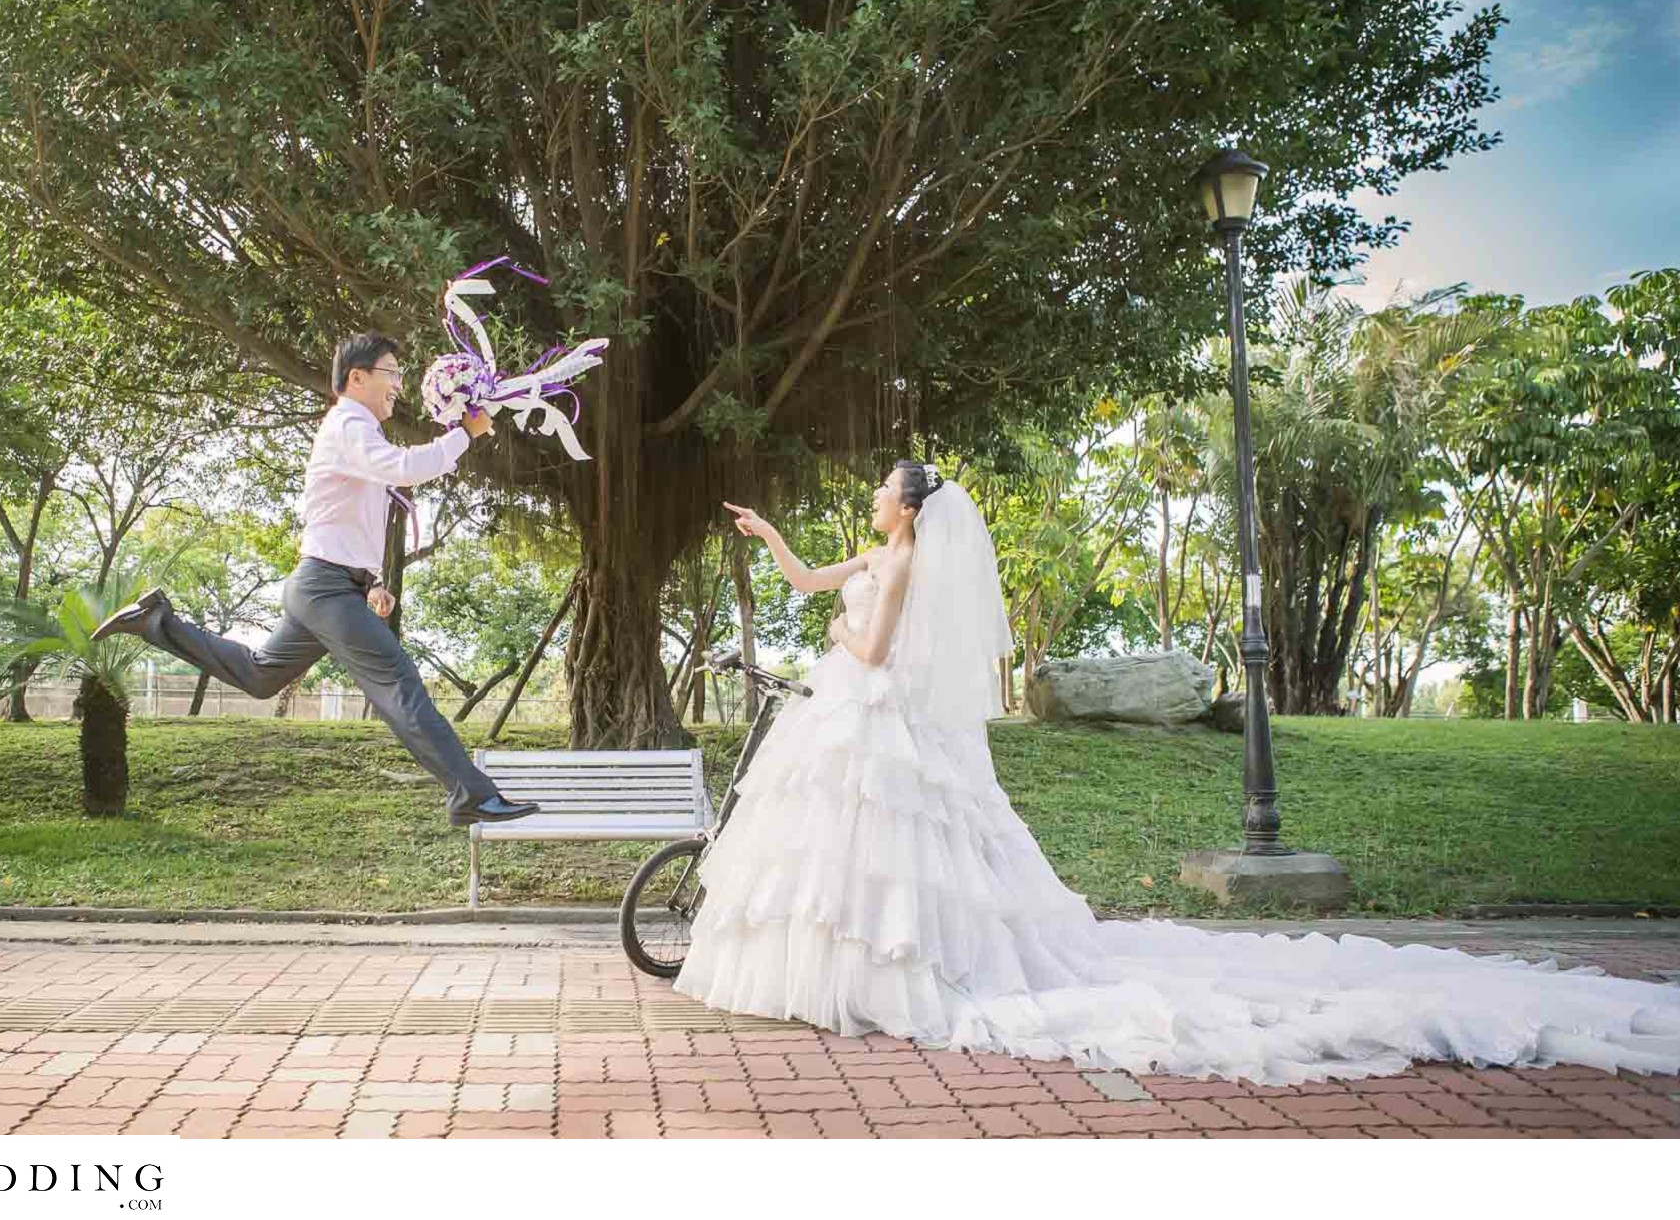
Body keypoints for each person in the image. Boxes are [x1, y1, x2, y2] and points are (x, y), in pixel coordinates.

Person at [677, 461, 1680, 1085]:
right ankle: (856, 967)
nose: (871, 497)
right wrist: (771, 539)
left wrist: (837, 634)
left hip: (872, 713)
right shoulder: (876, 554)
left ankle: (888, 974)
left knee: (879, 846)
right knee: (846, 848)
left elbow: (871, 648)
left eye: (880, 489)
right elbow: (809, 578)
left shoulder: (900, 567)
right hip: (855, 717)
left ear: (907, 508)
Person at [92, 334, 539, 829]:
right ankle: (471, 795)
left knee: (260, 677)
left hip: (326, 585)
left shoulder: (358, 433)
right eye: (391, 373)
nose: (399, 385)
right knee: (399, 684)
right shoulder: (348, 425)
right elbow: (405, 468)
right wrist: (465, 434)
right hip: (325, 588)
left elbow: (350, 520)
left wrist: (369, 583)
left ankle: (156, 621)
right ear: (357, 377)